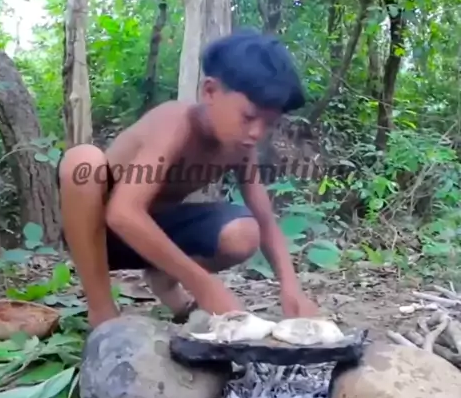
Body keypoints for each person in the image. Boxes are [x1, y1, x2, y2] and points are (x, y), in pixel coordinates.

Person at [57, 29, 320, 328]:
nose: (256, 133)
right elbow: (122, 213)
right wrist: (204, 285)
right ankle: (102, 309)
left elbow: (266, 221)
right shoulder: (174, 122)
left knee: (244, 232)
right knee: (82, 162)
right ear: (210, 92)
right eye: (248, 117)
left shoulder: (239, 147)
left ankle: (165, 279)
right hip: (100, 237)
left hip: (154, 236)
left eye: (268, 124)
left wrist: (291, 288)